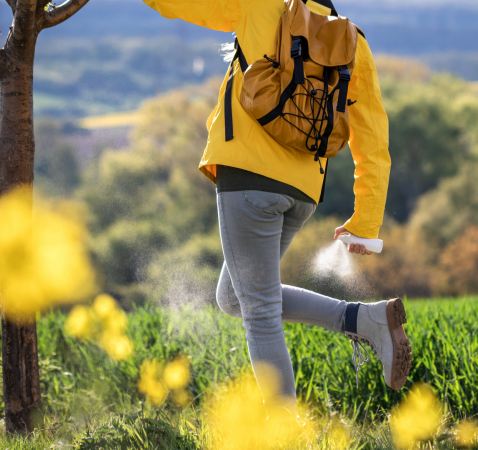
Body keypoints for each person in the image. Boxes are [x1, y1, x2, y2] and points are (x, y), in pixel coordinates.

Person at [142, 0, 411, 415]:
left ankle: (284, 430)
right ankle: (362, 320)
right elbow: (373, 138)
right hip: (302, 191)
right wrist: (366, 221)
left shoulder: (259, 4)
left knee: (259, 313)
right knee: (234, 297)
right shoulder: (353, 41)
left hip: (249, 178)